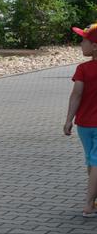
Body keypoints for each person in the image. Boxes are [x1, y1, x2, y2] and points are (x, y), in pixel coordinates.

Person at [64, 23, 97, 218]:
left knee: (92, 162)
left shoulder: (83, 69)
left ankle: (92, 200)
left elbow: (76, 95)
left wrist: (69, 119)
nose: (80, 44)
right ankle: (89, 204)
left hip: (84, 124)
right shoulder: (82, 68)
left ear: (95, 46)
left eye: (83, 40)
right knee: (95, 162)